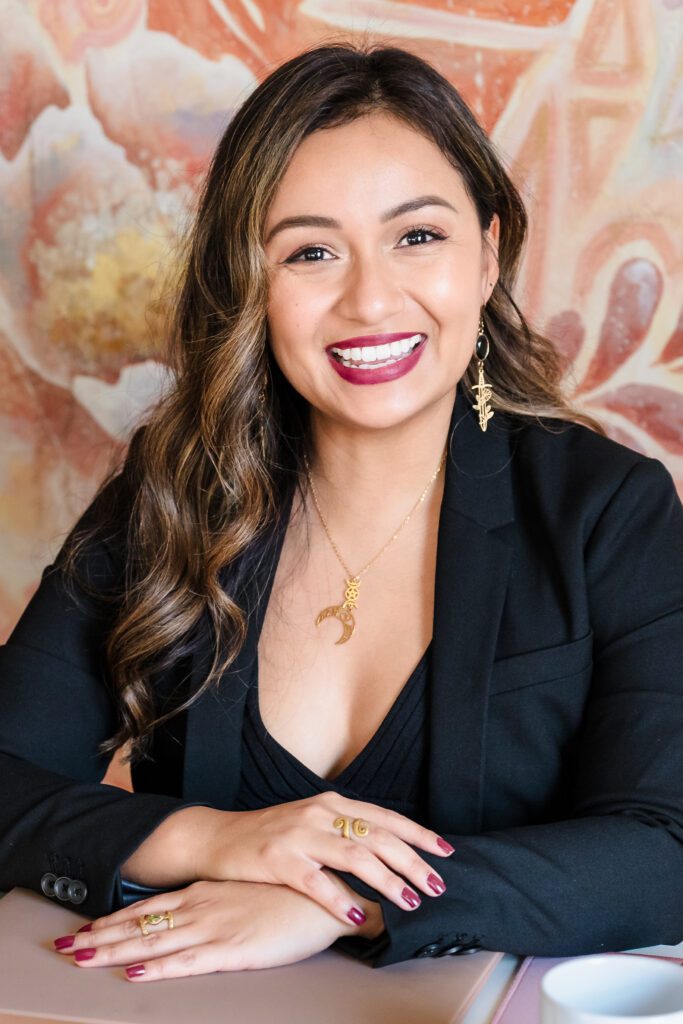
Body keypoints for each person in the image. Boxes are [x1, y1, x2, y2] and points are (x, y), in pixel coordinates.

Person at [1, 43, 682, 983]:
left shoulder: (610, 510)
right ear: (249, 281)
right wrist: (219, 843)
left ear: (486, 254)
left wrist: (339, 902)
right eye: (310, 251)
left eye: (417, 237)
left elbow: (665, 847)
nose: (368, 299)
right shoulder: (168, 494)